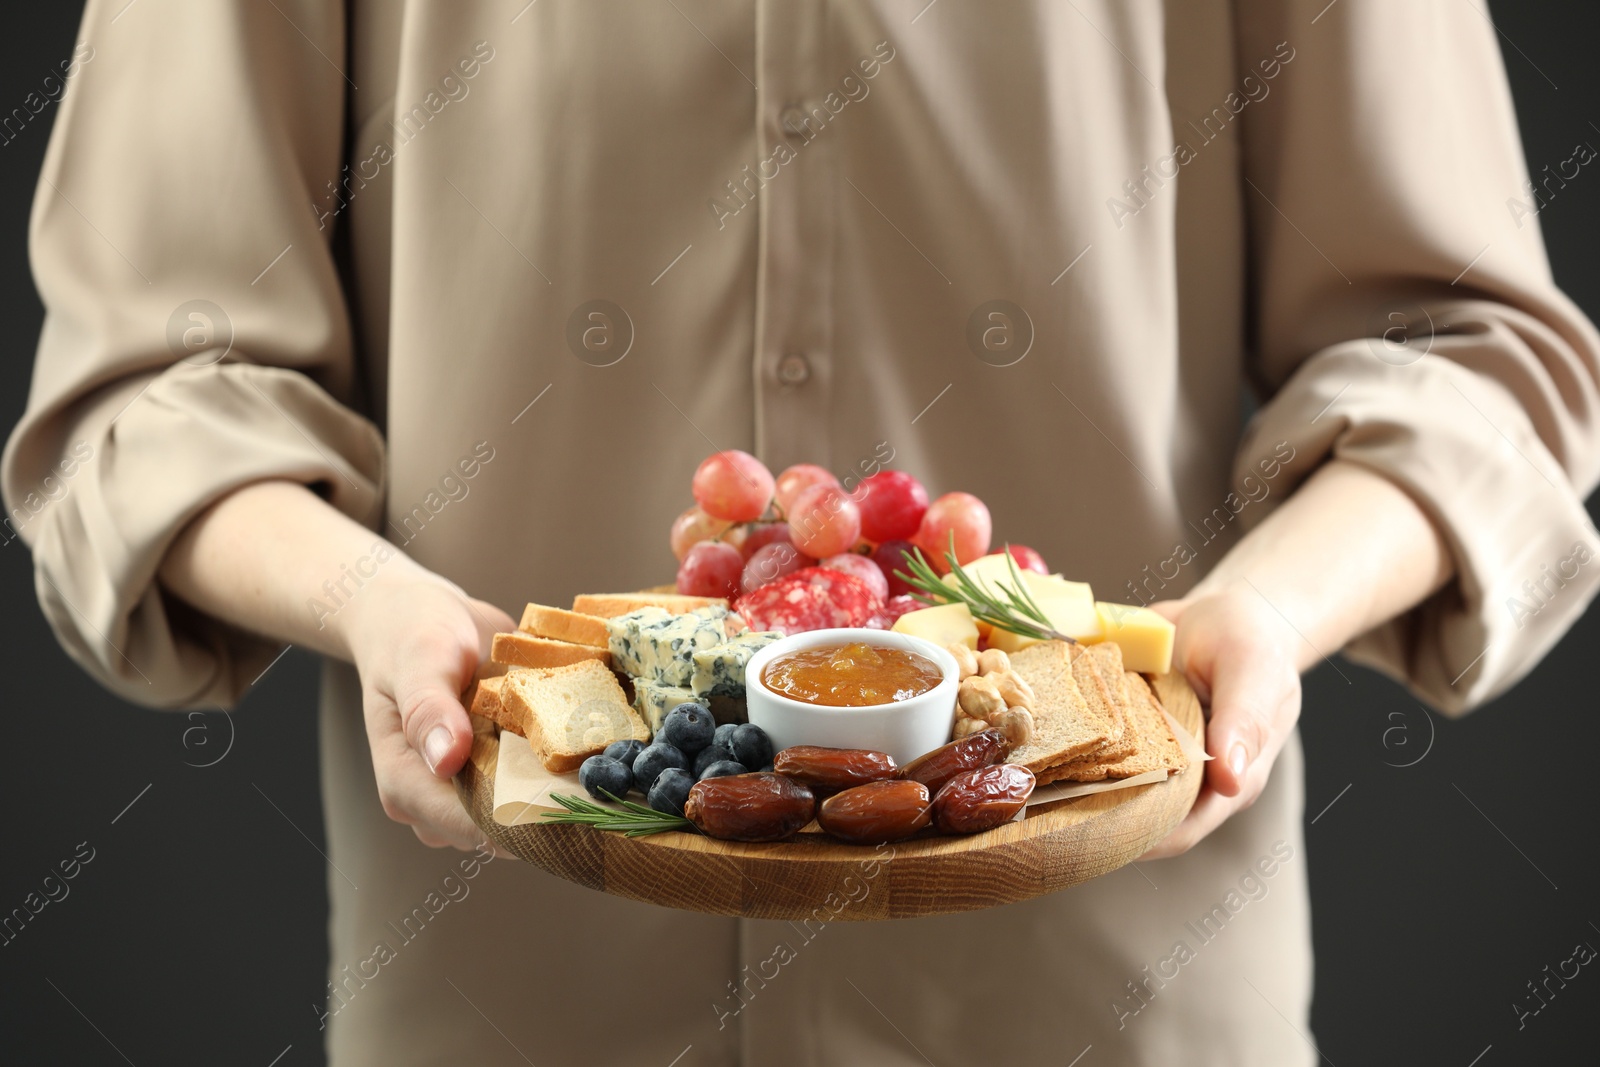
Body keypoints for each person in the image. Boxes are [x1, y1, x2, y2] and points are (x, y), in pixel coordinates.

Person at [6, 2, 1598, 1064]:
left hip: (1118, 1002)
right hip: (511, 997)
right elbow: (156, 382)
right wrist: (369, 603)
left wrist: (1266, 611)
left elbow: (1469, 362)